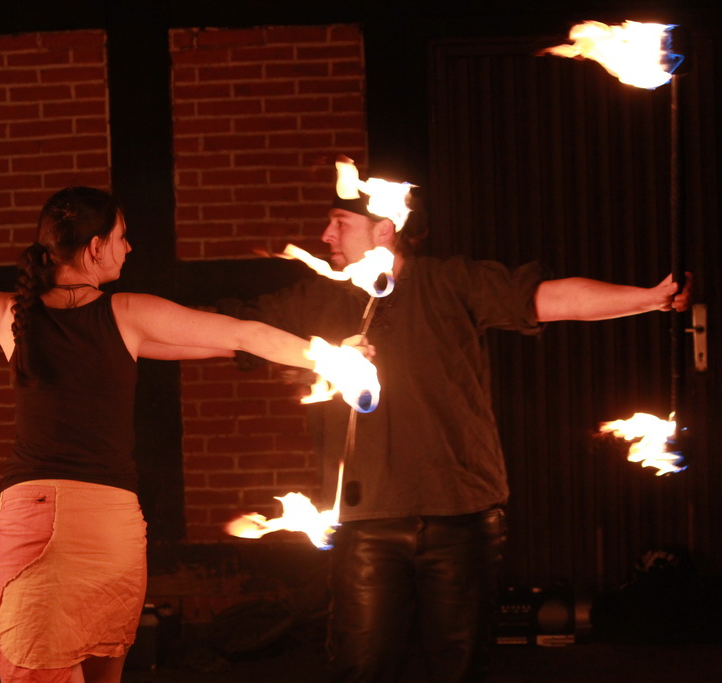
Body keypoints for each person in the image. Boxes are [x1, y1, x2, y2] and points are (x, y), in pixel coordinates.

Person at [0, 186, 374, 683]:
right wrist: (331, 359)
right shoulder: (129, 315)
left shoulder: (10, 315)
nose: (129, 248)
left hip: (40, 515)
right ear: (97, 247)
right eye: (122, 237)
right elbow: (241, 335)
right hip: (114, 524)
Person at [235, 187, 691, 683]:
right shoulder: (313, 299)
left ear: (384, 229)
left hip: (462, 513)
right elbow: (231, 329)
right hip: (367, 521)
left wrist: (650, 298)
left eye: (340, 222)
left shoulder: (450, 282)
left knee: (460, 668)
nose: (326, 235)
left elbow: (551, 298)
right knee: (363, 666)